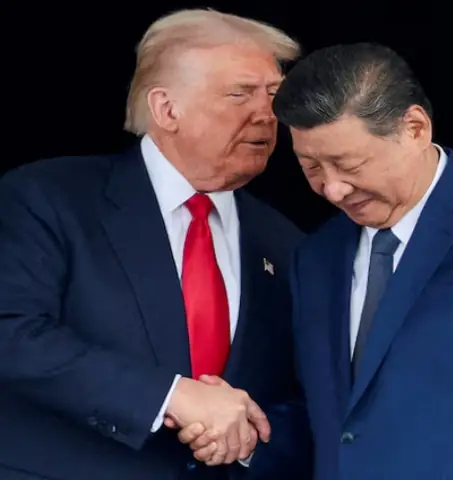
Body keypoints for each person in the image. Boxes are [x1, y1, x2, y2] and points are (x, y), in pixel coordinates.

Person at [180, 42, 453, 479]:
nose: (332, 189)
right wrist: (244, 436)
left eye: (349, 164)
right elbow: (335, 424)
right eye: (311, 168)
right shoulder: (317, 256)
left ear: (415, 128)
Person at [0, 9, 312, 480]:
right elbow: (11, 333)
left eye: (274, 94)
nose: (268, 114)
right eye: (240, 93)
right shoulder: (49, 197)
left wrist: (244, 441)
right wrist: (169, 396)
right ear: (167, 109)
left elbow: (305, 394)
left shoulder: (287, 243)